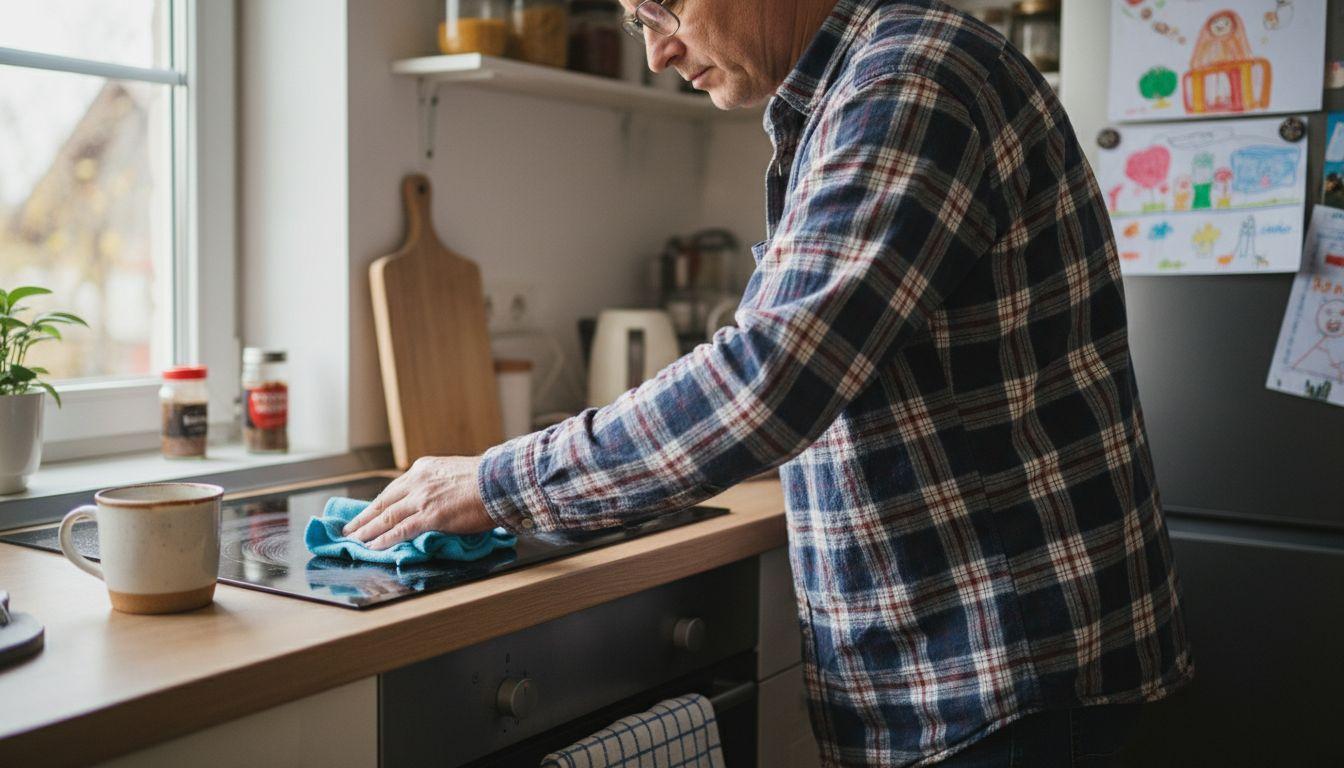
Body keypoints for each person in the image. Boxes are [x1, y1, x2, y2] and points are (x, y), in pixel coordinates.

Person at [345, 0, 1193, 764]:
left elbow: (770, 381)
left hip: (1005, 673)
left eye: (664, 9)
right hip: (989, 667)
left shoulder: (908, 80)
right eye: (637, 22)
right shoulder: (859, 84)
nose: (658, 53)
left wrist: (497, 480)